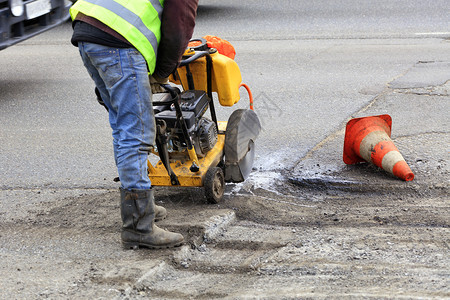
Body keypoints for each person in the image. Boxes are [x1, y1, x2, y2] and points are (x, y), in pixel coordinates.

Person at [69, 0, 199, 249]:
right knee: (137, 133)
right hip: (117, 43)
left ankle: (141, 207)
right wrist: (161, 74)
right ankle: (139, 227)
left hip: (89, 31)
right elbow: (179, 26)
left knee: (122, 126)